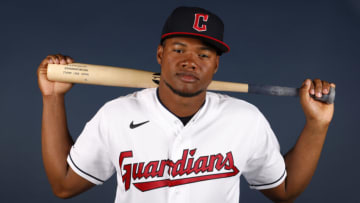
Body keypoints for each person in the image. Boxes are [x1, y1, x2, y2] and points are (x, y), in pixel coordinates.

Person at [37, 6, 335, 203]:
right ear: (160, 54)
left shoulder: (245, 120)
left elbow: (284, 191)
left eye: (204, 55)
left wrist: (317, 125)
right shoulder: (117, 115)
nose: (190, 61)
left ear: (216, 65)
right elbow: (64, 185)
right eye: (179, 49)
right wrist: (53, 98)